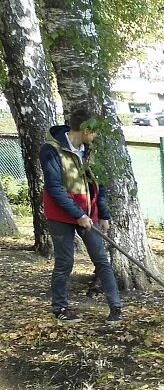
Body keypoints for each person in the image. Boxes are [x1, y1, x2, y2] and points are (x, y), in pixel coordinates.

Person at [41, 107, 122, 323]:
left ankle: (116, 307)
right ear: (85, 129)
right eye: (94, 131)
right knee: (65, 262)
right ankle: (60, 308)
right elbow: (54, 187)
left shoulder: (90, 151)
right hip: (60, 214)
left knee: (101, 260)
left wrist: (103, 214)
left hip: (88, 212)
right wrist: (78, 215)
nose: (96, 135)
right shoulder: (51, 149)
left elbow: (99, 184)